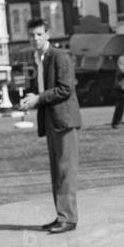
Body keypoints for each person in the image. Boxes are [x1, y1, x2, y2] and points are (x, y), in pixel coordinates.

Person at [18, 18, 81, 234]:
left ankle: (68, 218)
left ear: (48, 34)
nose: (35, 39)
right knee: (57, 171)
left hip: (64, 121)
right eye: (31, 35)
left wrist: (38, 98)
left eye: (38, 34)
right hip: (52, 121)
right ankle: (61, 215)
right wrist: (31, 98)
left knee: (65, 171)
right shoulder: (41, 59)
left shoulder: (59, 57)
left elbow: (66, 89)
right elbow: (45, 90)